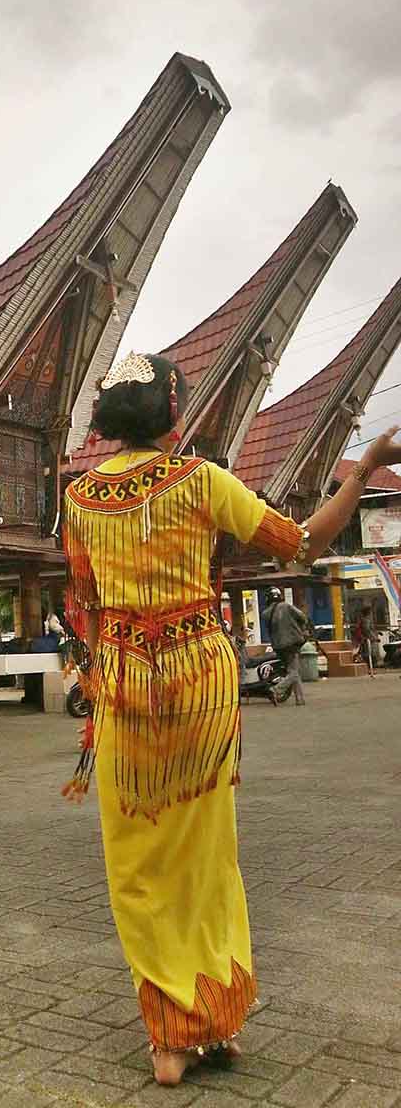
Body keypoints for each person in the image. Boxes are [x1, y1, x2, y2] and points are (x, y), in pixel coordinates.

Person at [61, 350, 401, 1086]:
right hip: (201, 678)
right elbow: (303, 546)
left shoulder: (80, 498)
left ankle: (170, 1035)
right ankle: (214, 1018)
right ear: (173, 413)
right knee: (207, 853)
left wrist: (99, 679)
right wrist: (365, 461)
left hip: (126, 683)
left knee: (137, 863)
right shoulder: (201, 480)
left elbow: (82, 606)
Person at [262, 589, 309, 706]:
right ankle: (276, 689)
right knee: (294, 672)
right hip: (292, 644)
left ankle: (300, 699)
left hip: (278, 646)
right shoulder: (286, 606)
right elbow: (302, 617)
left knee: (292, 671)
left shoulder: (265, 613)